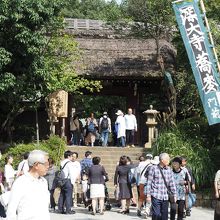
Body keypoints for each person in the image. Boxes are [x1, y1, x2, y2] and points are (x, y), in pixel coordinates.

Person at [6, 150, 50, 220]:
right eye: (46, 164)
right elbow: (11, 210)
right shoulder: (21, 182)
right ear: (36, 165)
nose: (48, 166)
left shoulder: (44, 181)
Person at [146, 153, 177, 220]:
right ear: (162, 160)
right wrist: (148, 195)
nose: (169, 161)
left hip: (165, 196)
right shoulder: (153, 168)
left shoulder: (169, 170)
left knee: (164, 216)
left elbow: (172, 183)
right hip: (155, 195)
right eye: (168, 159)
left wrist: (174, 194)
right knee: (156, 214)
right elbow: (149, 182)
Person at [58, 150, 78, 215]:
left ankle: (60, 209)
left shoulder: (62, 162)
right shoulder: (69, 163)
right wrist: (72, 182)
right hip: (67, 180)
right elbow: (71, 173)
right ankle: (68, 210)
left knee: (62, 195)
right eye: (71, 156)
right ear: (68, 156)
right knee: (68, 195)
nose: (72, 157)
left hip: (62, 180)